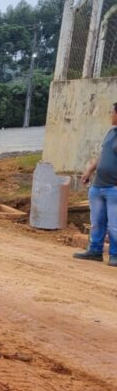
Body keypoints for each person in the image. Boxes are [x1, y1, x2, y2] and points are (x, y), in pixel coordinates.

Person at [73, 102, 117, 267]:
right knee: (97, 221)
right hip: (98, 186)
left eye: (112, 112)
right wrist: (89, 170)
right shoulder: (111, 133)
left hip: (114, 188)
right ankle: (95, 251)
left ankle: (115, 255)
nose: (110, 115)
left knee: (115, 224)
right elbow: (102, 155)